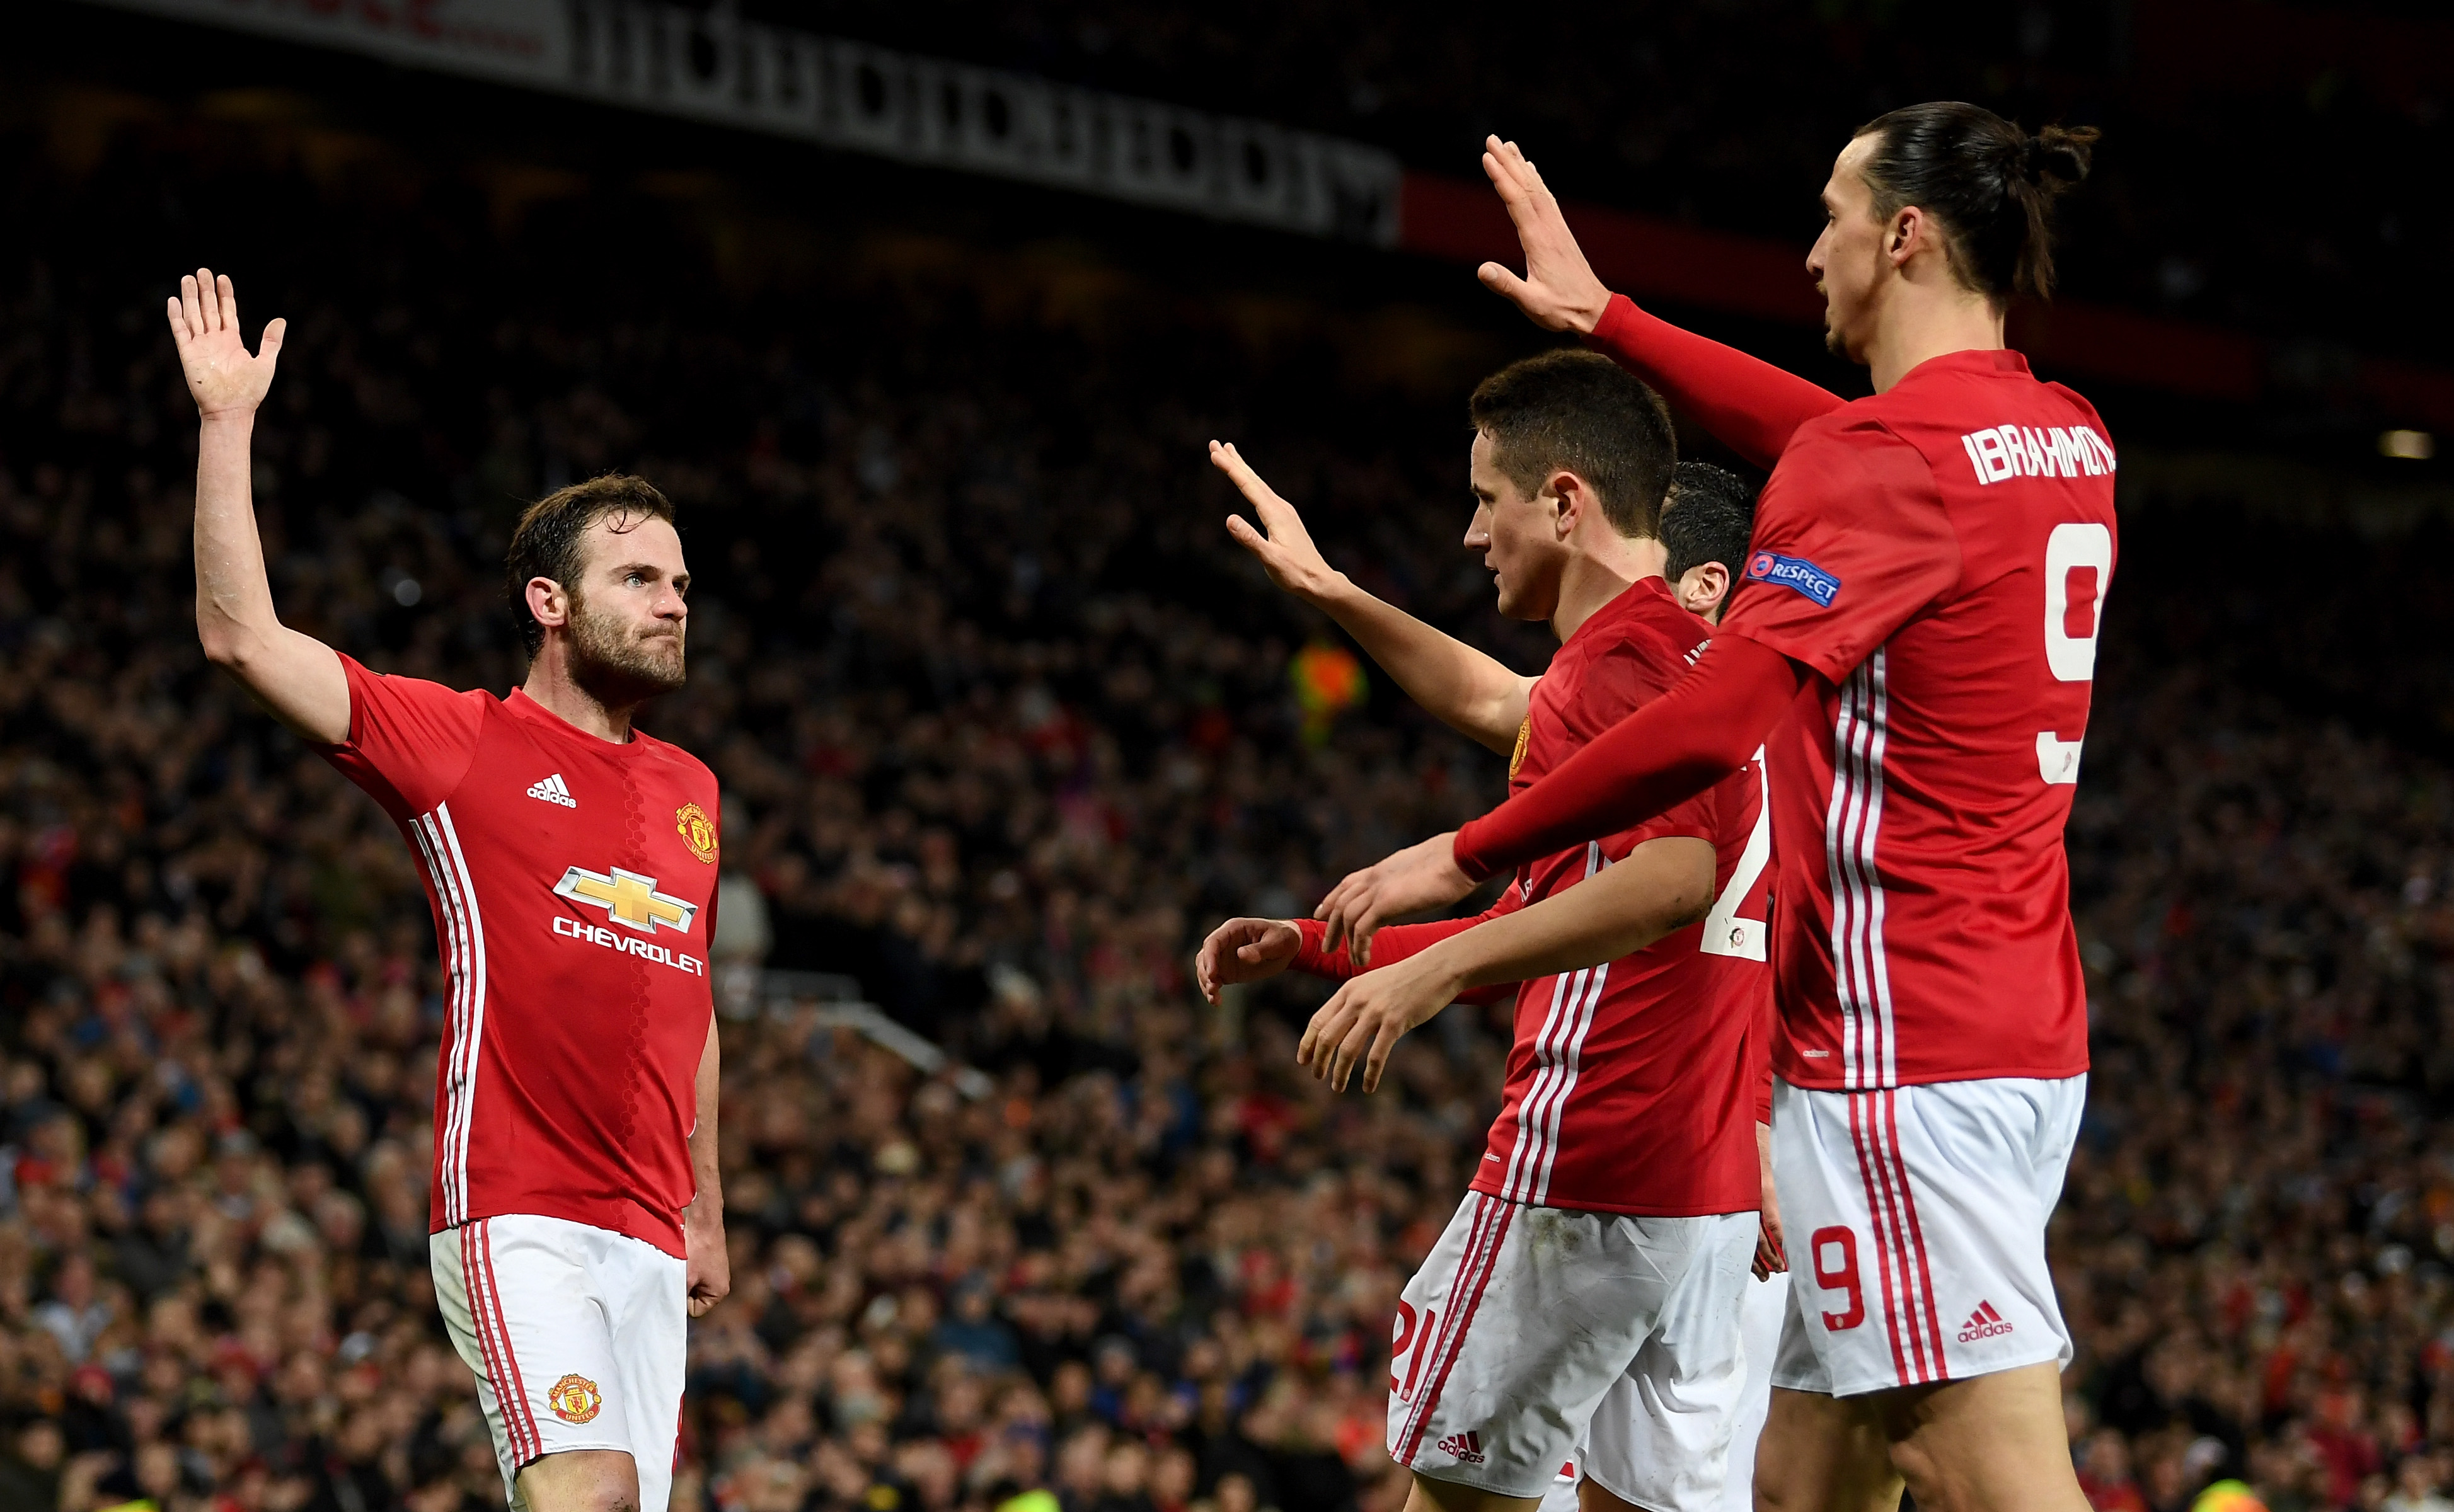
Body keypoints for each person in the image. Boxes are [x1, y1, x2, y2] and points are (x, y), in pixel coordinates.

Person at [1310, 105, 2116, 1512]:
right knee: (1811, 1482)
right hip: (2012, 1022)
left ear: (1904, 235)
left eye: (1831, 215)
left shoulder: (1874, 470)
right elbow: (1841, 446)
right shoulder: (2060, 437)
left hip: (1894, 1056)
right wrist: (1611, 318)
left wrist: (1471, 850)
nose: (1812, 252)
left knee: (1988, 1476)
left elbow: (1713, 720)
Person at [168, 268, 729, 1512]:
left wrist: (706, 1208)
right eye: (640, 579)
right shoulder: (459, 742)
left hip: (649, 1229)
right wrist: (226, 425)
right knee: (581, 1488)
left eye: (681, 583)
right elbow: (242, 638)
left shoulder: (695, 788)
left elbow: (688, 1003)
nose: (674, 602)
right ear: (551, 603)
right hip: (520, 1207)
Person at [1195, 352, 1761, 1512]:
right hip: (1702, 1196)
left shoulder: (1618, 673)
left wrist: (1431, 968)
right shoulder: (1712, 671)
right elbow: (1502, 711)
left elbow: (1673, 876)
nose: (1468, 534)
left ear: (1562, 502)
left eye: (1484, 499)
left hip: (1588, 1163)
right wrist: (1335, 594)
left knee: (1451, 1497)